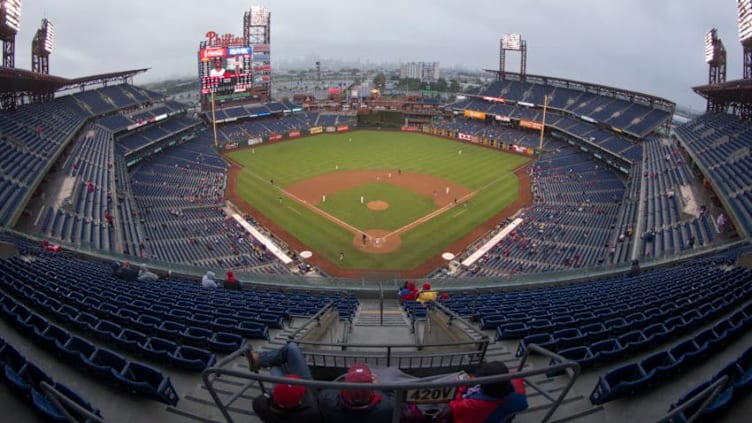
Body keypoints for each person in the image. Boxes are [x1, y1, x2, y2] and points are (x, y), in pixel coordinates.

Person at [247, 343, 323, 423]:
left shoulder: (261, 406)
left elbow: (260, 400)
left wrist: (273, 395)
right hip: (309, 387)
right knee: (289, 350)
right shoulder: (311, 411)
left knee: (276, 363)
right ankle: (259, 359)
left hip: (288, 396)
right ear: (299, 402)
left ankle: (259, 359)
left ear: (274, 395)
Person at [448, 361, 528, 423]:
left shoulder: (474, 405)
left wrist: (461, 386)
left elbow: (454, 406)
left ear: (485, 385)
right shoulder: (517, 383)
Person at [318, 362, 394, 423]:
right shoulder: (389, 407)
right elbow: (393, 395)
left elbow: (327, 391)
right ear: (372, 389)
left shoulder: (327, 400)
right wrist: (379, 387)